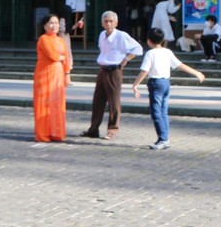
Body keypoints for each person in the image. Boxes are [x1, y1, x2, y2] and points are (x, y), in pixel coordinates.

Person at [132, 27, 206, 150]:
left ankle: (163, 139)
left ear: (149, 40)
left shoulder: (150, 53)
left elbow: (144, 71)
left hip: (155, 83)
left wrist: (135, 84)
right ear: (162, 40)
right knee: (163, 112)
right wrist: (196, 73)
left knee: (156, 112)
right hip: (166, 83)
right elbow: (180, 65)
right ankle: (165, 137)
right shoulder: (167, 52)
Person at [80, 11, 144, 140]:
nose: (108, 24)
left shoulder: (121, 35)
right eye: (106, 21)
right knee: (98, 101)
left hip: (114, 70)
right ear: (102, 23)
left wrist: (126, 59)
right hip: (103, 69)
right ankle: (93, 129)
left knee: (114, 101)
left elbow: (138, 49)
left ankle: (112, 129)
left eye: (111, 21)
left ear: (116, 23)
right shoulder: (102, 35)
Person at [33, 14, 72, 142]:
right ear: (44, 26)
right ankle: (44, 134)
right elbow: (54, 56)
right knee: (45, 103)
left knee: (57, 103)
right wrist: (60, 57)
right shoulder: (43, 39)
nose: (54, 25)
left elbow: (66, 58)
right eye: (51, 23)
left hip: (59, 74)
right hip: (44, 73)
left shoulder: (61, 40)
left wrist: (67, 74)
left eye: (56, 23)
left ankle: (57, 132)